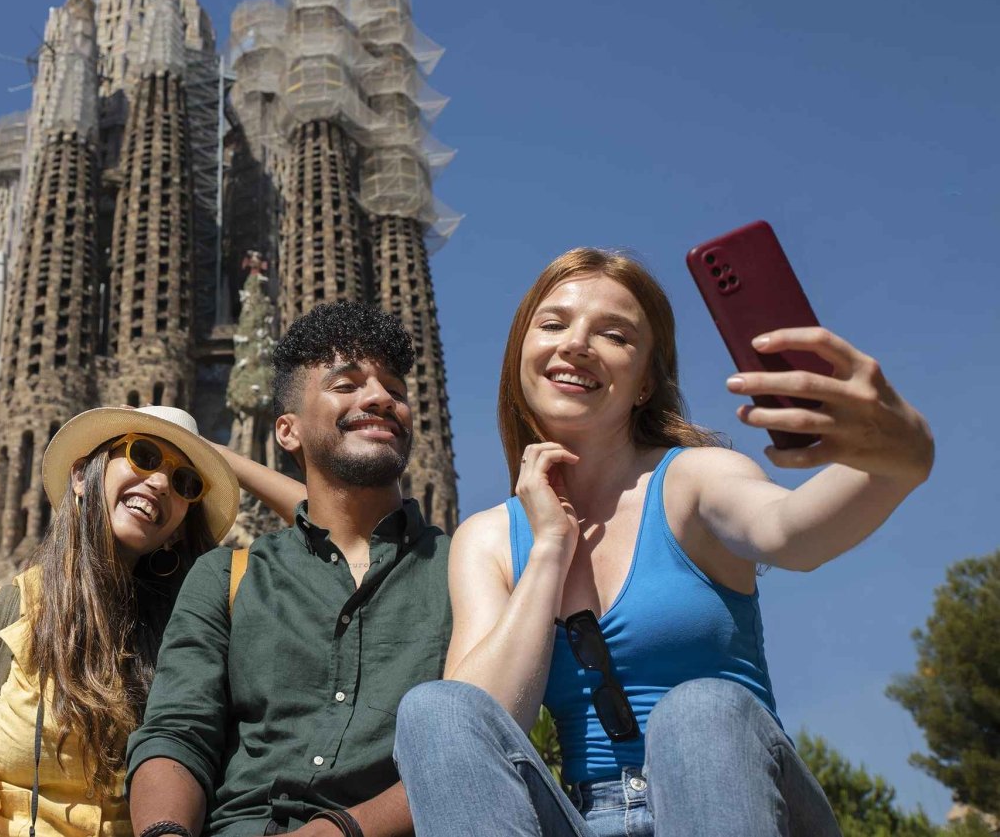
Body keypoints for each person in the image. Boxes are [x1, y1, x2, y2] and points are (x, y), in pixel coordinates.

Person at [393, 248, 934, 836]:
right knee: (435, 707)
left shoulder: (694, 479)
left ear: (646, 380)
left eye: (615, 335)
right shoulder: (490, 537)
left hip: (734, 800)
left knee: (697, 711)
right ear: (522, 353)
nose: (576, 343)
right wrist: (549, 546)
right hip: (583, 816)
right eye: (552, 324)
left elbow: (789, 532)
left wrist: (893, 463)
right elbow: (475, 731)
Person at [127, 300, 451, 837]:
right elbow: (179, 733)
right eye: (345, 385)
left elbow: (473, 743)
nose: (378, 397)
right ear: (288, 431)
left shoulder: (465, 569)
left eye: (395, 389)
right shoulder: (226, 577)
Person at [0, 404, 262, 837]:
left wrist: (226, 457)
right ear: (82, 475)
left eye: (186, 482)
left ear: (180, 526)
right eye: (143, 455)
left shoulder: (191, 637)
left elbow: (336, 549)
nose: (161, 482)